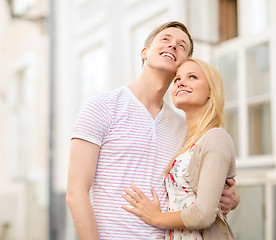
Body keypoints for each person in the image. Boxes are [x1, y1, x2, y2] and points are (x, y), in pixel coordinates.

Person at [66, 21, 239, 239]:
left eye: (181, 45)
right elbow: (76, 193)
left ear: (184, 63)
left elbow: (198, 183)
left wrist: (231, 197)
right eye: (165, 39)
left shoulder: (183, 126)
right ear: (145, 52)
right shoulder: (101, 107)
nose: (173, 45)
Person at [122, 58, 236, 240]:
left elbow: (204, 215)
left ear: (210, 91)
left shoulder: (215, 137)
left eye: (192, 77)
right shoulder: (185, 139)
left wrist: (156, 217)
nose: (181, 82)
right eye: (177, 79)